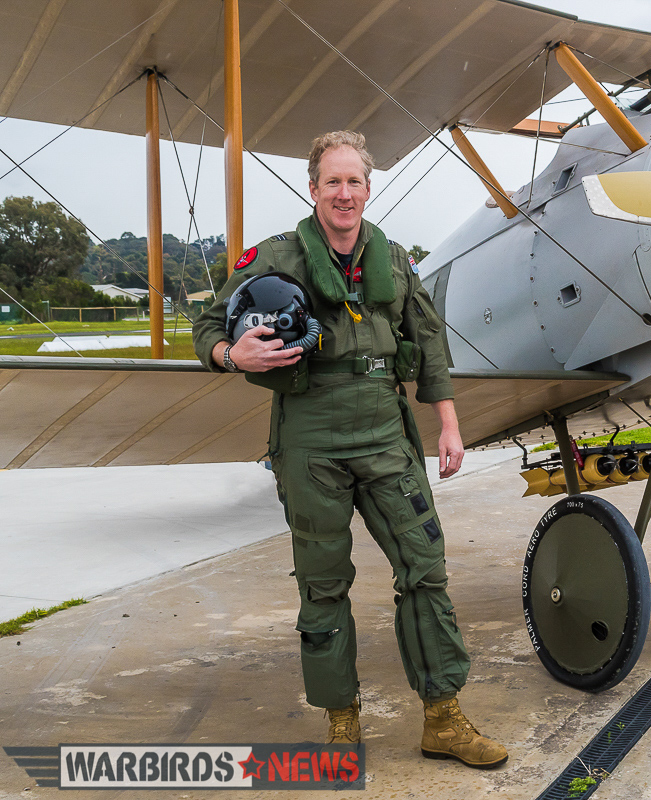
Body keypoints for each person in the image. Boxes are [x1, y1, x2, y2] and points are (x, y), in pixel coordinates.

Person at [192, 130, 507, 769]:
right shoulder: (276, 257)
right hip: (310, 436)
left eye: (355, 181)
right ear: (313, 190)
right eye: (332, 182)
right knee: (324, 585)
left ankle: (442, 719)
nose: (344, 193)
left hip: (387, 433)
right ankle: (342, 729)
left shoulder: (391, 257)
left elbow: (430, 342)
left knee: (425, 568)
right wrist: (232, 354)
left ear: (368, 188)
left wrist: (448, 423)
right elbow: (207, 326)